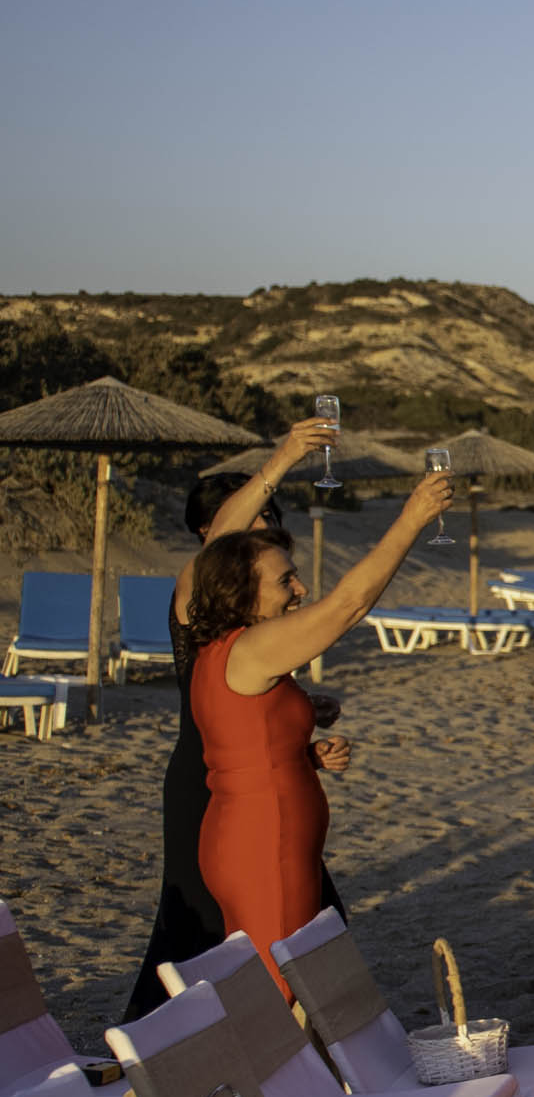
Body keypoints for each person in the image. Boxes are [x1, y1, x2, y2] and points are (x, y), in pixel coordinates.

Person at [180, 470, 454, 994]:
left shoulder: (223, 650)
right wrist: (413, 517)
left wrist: (304, 757)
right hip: (266, 844)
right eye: (286, 581)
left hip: (249, 836)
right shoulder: (253, 648)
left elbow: (242, 745)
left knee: (273, 982)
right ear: (241, 593)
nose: (301, 589)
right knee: (285, 990)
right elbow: (348, 605)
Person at [121, 425, 351, 1020]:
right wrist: (286, 456)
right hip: (206, 782)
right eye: (254, 520)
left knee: (304, 922)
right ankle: (164, 1040)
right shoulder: (197, 592)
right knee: (196, 928)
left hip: (261, 784)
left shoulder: (251, 627)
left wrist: (303, 724)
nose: (263, 534)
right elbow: (227, 537)